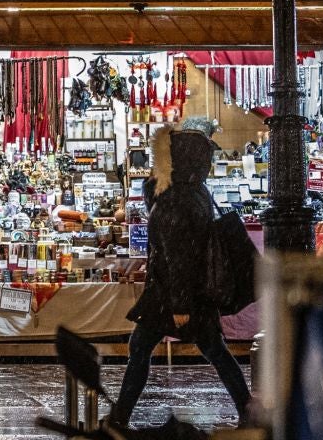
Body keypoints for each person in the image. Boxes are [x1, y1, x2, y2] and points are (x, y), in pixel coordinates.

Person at [111, 127, 251, 429]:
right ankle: (247, 409)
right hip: (186, 290)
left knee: (144, 349)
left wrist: (180, 305)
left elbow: (179, 257)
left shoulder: (176, 199)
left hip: (174, 293)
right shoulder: (194, 191)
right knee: (211, 349)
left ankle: (119, 418)